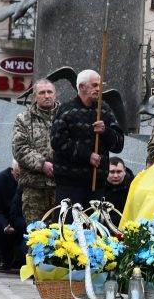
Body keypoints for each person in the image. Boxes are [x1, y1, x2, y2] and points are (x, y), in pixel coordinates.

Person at [50, 69, 124, 205]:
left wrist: (105, 131)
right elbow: (58, 142)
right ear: (81, 87)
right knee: (70, 225)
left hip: (97, 184)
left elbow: (119, 144)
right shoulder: (66, 110)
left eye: (100, 85)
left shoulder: (104, 110)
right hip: (70, 184)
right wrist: (87, 155)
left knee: (94, 224)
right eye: (95, 85)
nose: (99, 89)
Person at [11, 78, 58, 226]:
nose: (46, 96)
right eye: (42, 92)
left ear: (55, 94)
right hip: (34, 187)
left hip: (61, 185)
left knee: (63, 235)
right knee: (37, 235)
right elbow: (19, 148)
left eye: (50, 92)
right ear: (35, 96)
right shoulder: (23, 119)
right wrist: (42, 164)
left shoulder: (66, 115)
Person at [103, 157, 133, 224]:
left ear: (124, 171)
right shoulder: (98, 185)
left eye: (119, 172)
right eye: (112, 172)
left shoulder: (132, 186)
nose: (115, 176)